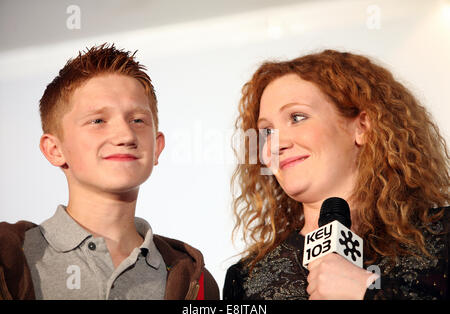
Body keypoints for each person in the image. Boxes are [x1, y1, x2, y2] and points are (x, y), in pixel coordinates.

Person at [223, 49, 449, 300]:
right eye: (267, 131)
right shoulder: (246, 278)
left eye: (297, 117)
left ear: (362, 127)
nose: (276, 144)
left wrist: (367, 293)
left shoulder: (442, 235)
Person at [0, 44, 219, 300]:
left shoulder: (198, 282)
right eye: (98, 121)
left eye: (137, 120)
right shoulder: (7, 261)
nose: (125, 135)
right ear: (55, 149)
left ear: (157, 146)